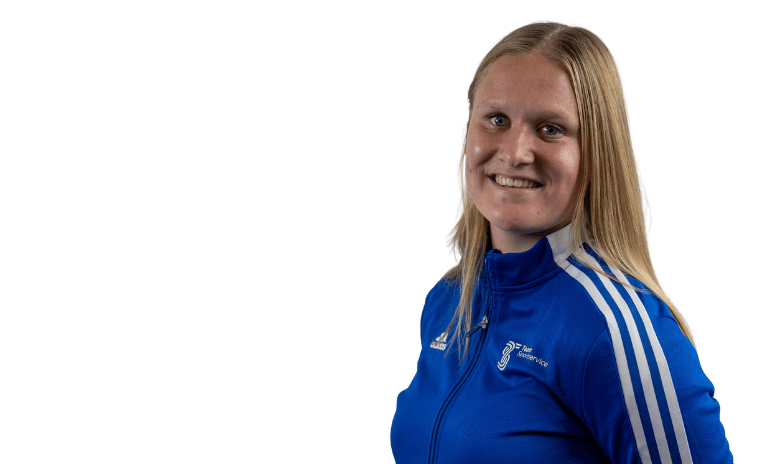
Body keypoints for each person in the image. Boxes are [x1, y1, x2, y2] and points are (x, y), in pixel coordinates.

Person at [390, 22, 732, 464]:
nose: (514, 153)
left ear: (596, 151)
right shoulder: (449, 300)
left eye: (550, 129)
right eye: (497, 120)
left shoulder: (614, 331)